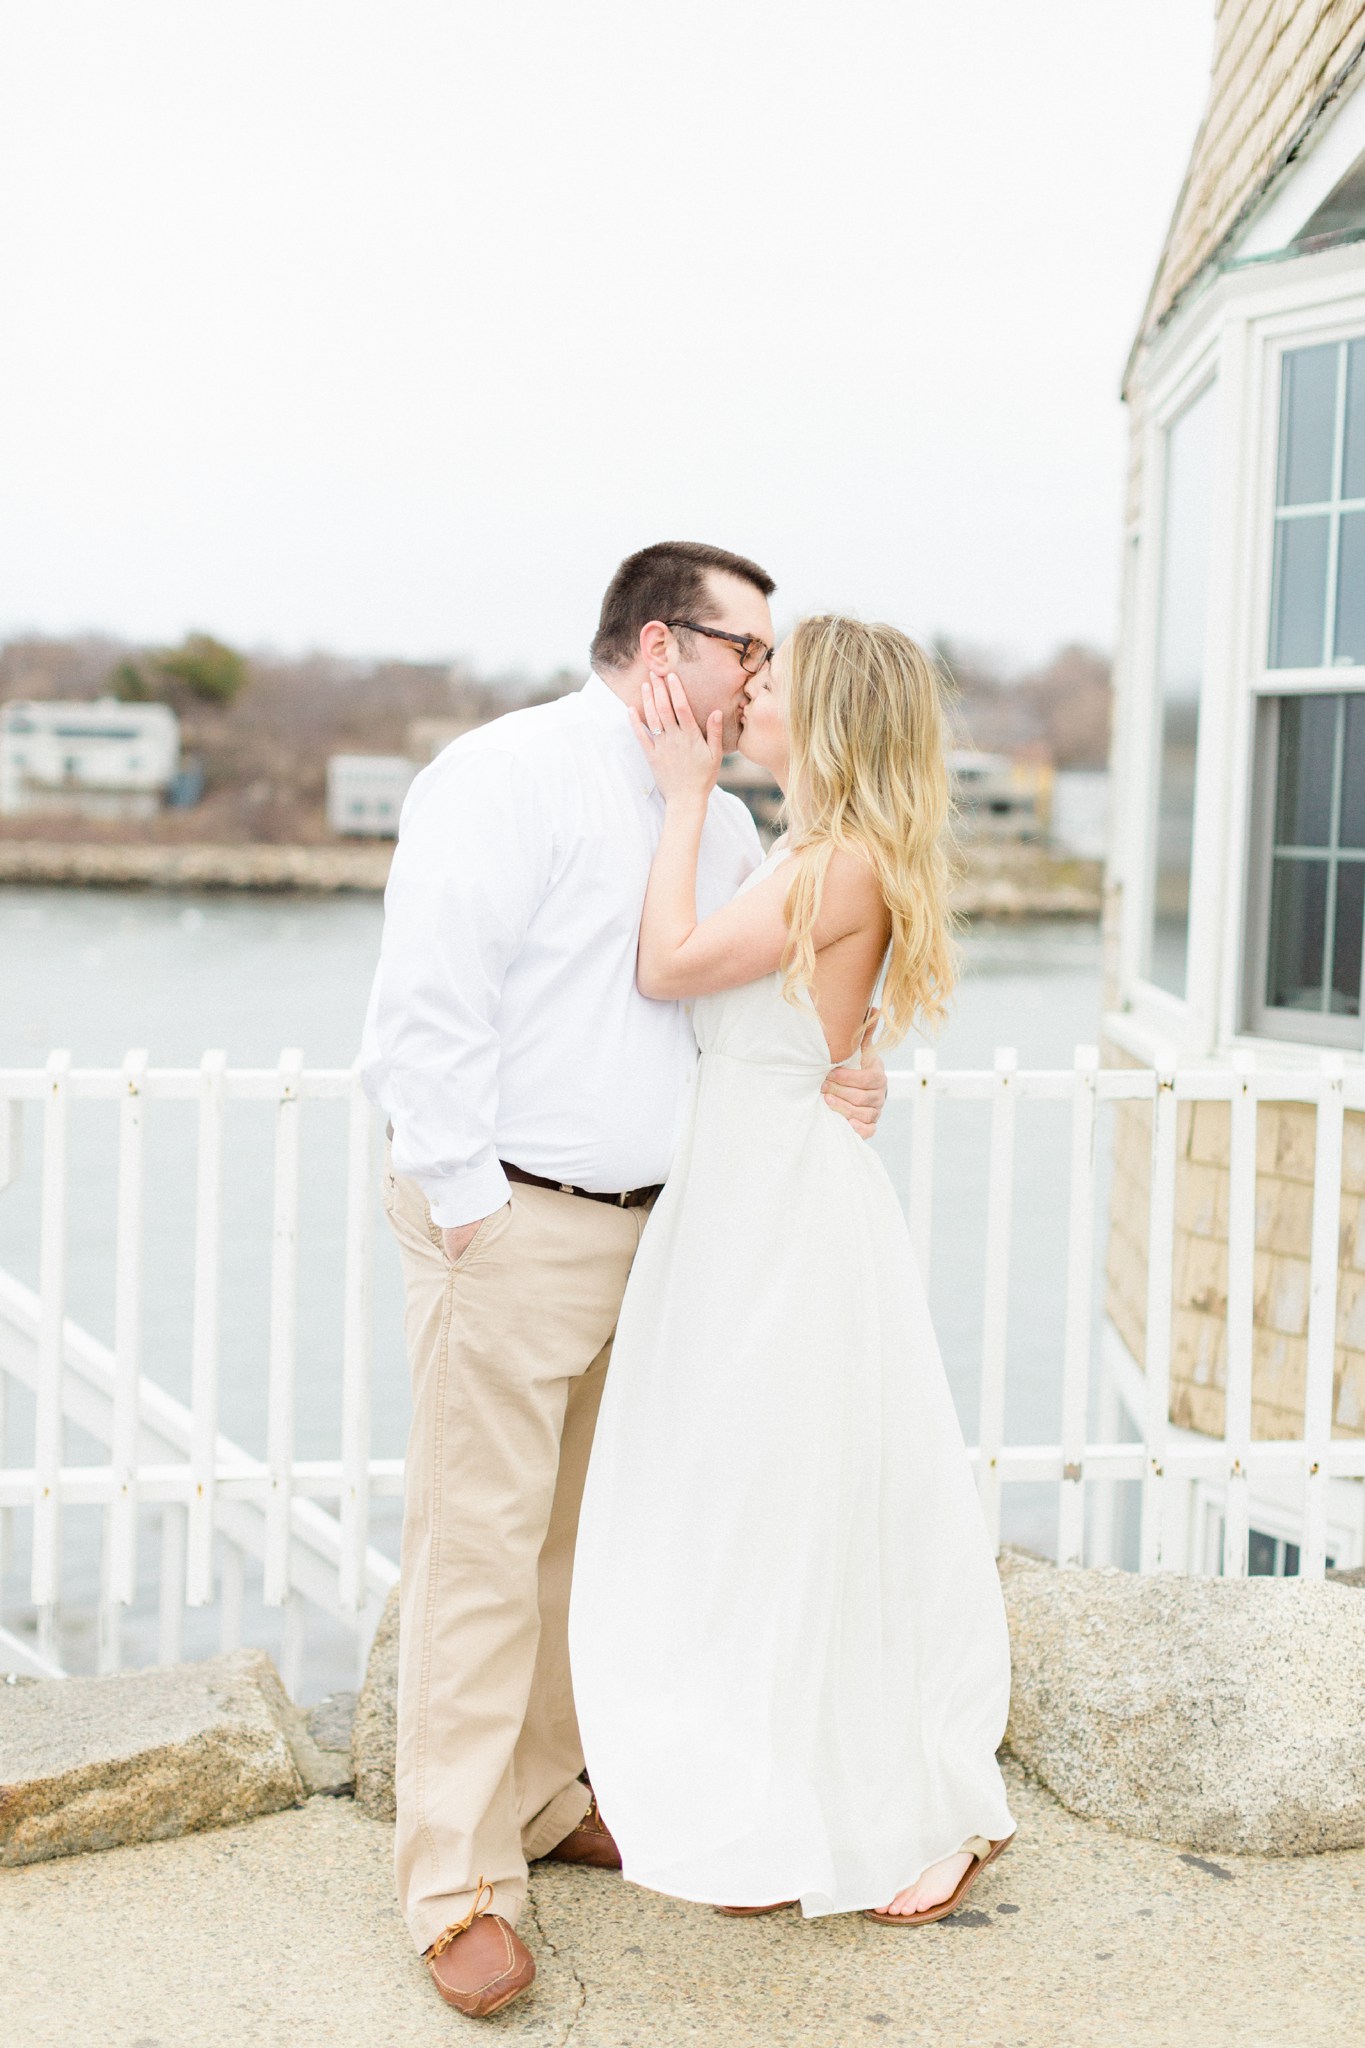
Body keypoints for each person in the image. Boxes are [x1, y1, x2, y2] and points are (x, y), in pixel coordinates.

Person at [359, 543, 889, 2019]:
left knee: (575, 1547)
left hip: (668, 1240)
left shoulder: (715, 822)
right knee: (477, 1551)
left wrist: (845, 1073)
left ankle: (539, 1799)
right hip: (514, 1222)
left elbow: (744, 1002)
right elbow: (429, 1004)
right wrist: (467, 1206)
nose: (761, 682)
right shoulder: (503, 772)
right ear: (664, 645)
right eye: (748, 653)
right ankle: (455, 1884)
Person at [569, 615, 1015, 1926]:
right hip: (753, 1177)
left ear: (819, 719)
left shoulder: (838, 863)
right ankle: (769, 1756)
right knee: (749, 1485)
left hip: (776, 1198)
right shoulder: (812, 854)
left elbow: (668, 969)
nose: (745, 696)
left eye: (768, 683)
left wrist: (682, 794)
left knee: (790, 1487)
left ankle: (900, 1805)